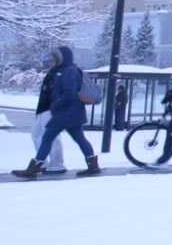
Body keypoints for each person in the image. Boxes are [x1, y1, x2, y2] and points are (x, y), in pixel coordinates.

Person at [12, 46, 103, 179]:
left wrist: (55, 105)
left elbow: (69, 93)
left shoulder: (68, 71)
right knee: (80, 139)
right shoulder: (67, 70)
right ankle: (93, 165)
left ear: (63, 58)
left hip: (65, 113)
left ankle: (34, 168)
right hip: (73, 113)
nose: (54, 60)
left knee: (47, 138)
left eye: (56, 57)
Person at [29, 58, 69, 175]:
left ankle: (57, 164)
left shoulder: (62, 74)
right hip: (43, 109)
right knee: (36, 135)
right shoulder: (52, 73)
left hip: (51, 109)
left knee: (51, 137)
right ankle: (43, 162)